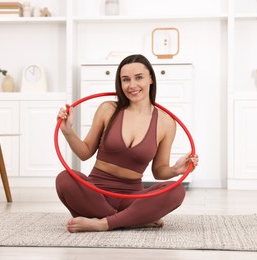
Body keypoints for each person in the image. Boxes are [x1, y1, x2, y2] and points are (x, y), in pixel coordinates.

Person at [56, 54, 199, 233]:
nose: (132, 85)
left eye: (139, 77)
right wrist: (67, 131)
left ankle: (102, 223)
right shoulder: (107, 109)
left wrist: (175, 170)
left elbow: (158, 171)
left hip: (132, 197)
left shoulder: (166, 122)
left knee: (176, 191)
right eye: (125, 80)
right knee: (64, 179)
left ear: (151, 79)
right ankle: (134, 219)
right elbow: (85, 152)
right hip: (95, 193)